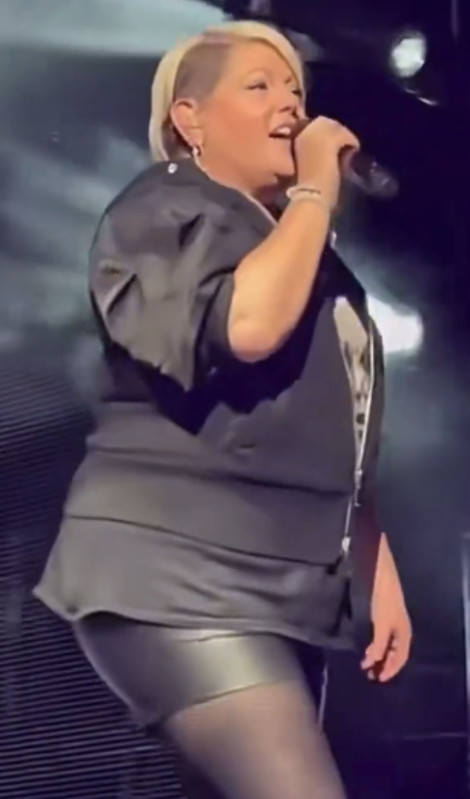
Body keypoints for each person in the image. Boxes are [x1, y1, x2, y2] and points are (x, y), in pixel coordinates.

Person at [34, 19, 412, 799]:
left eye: (296, 90)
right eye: (259, 86)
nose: (291, 105)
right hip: (177, 571)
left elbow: (336, 426)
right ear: (190, 119)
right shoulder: (162, 207)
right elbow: (247, 326)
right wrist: (315, 186)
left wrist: (373, 562)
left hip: (283, 586)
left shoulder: (314, 262)